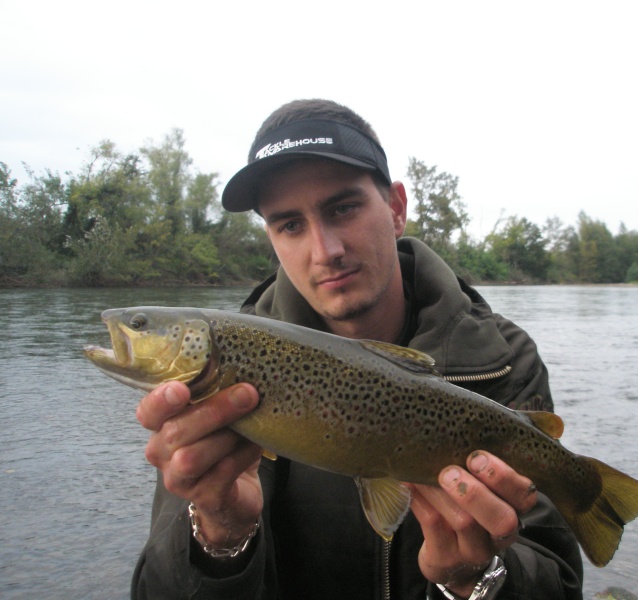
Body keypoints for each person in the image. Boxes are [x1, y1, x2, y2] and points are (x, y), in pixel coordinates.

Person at [132, 99, 584, 599]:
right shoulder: (222, 374)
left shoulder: (502, 358)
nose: (325, 250)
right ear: (272, 238)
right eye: (290, 224)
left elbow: (557, 583)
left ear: (395, 209)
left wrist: (474, 584)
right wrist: (219, 537)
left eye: (342, 208)